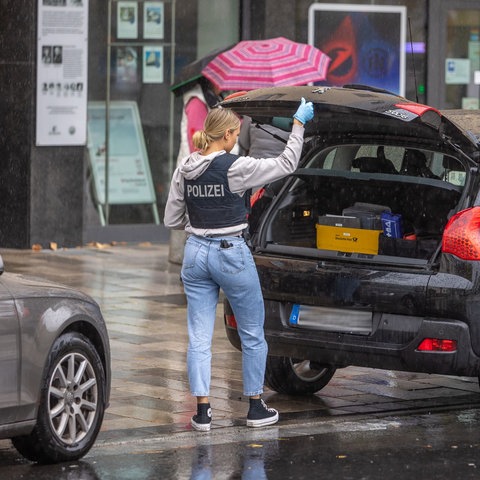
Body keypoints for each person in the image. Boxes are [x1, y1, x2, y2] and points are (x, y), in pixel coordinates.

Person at [163, 97, 314, 431]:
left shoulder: (186, 167)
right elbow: (287, 163)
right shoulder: (236, 166)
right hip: (230, 252)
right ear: (230, 135)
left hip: (195, 253)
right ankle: (255, 407)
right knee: (252, 333)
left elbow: (171, 218)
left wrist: (202, 218)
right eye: (236, 134)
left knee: (199, 337)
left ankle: (202, 413)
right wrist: (299, 123)